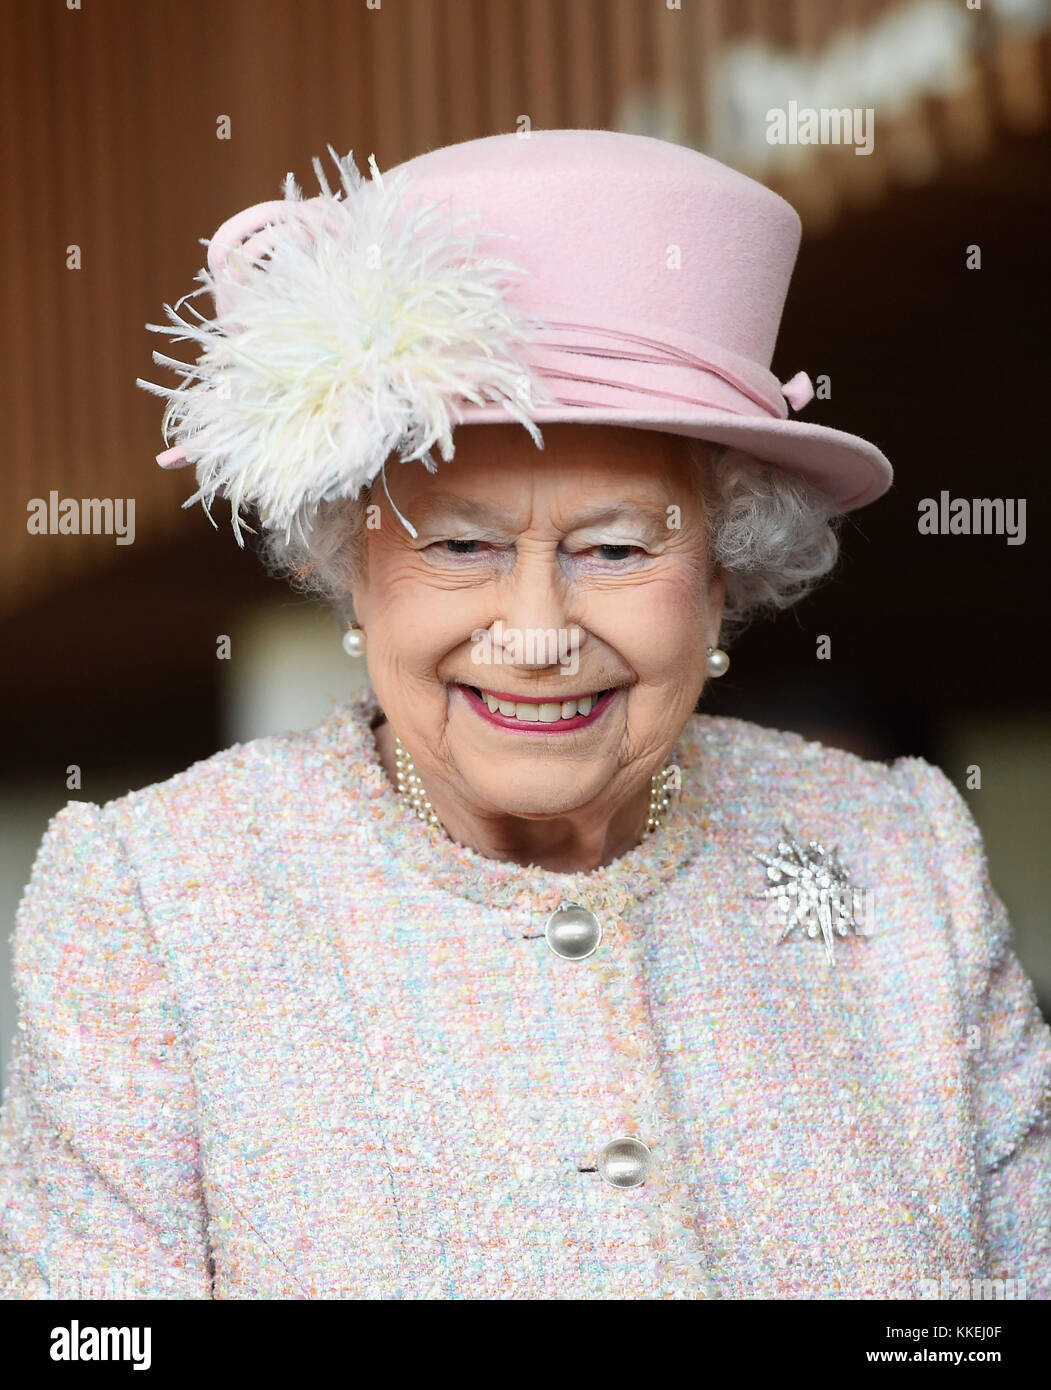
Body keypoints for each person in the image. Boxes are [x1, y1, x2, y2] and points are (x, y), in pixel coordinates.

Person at [1, 129, 1047, 1301]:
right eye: (460, 544)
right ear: (353, 563)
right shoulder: (152, 900)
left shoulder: (902, 861)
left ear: (723, 573)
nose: (537, 631)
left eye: (614, 547)